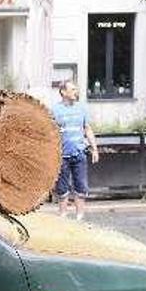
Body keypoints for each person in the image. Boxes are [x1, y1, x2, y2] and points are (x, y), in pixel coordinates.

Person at [52, 80, 99, 220]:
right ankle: (63, 217)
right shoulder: (54, 110)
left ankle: (79, 218)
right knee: (62, 188)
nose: (75, 92)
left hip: (79, 154)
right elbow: (49, 132)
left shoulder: (81, 108)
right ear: (63, 92)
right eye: (72, 90)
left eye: (76, 90)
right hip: (62, 155)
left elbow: (87, 129)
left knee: (81, 186)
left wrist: (94, 149)